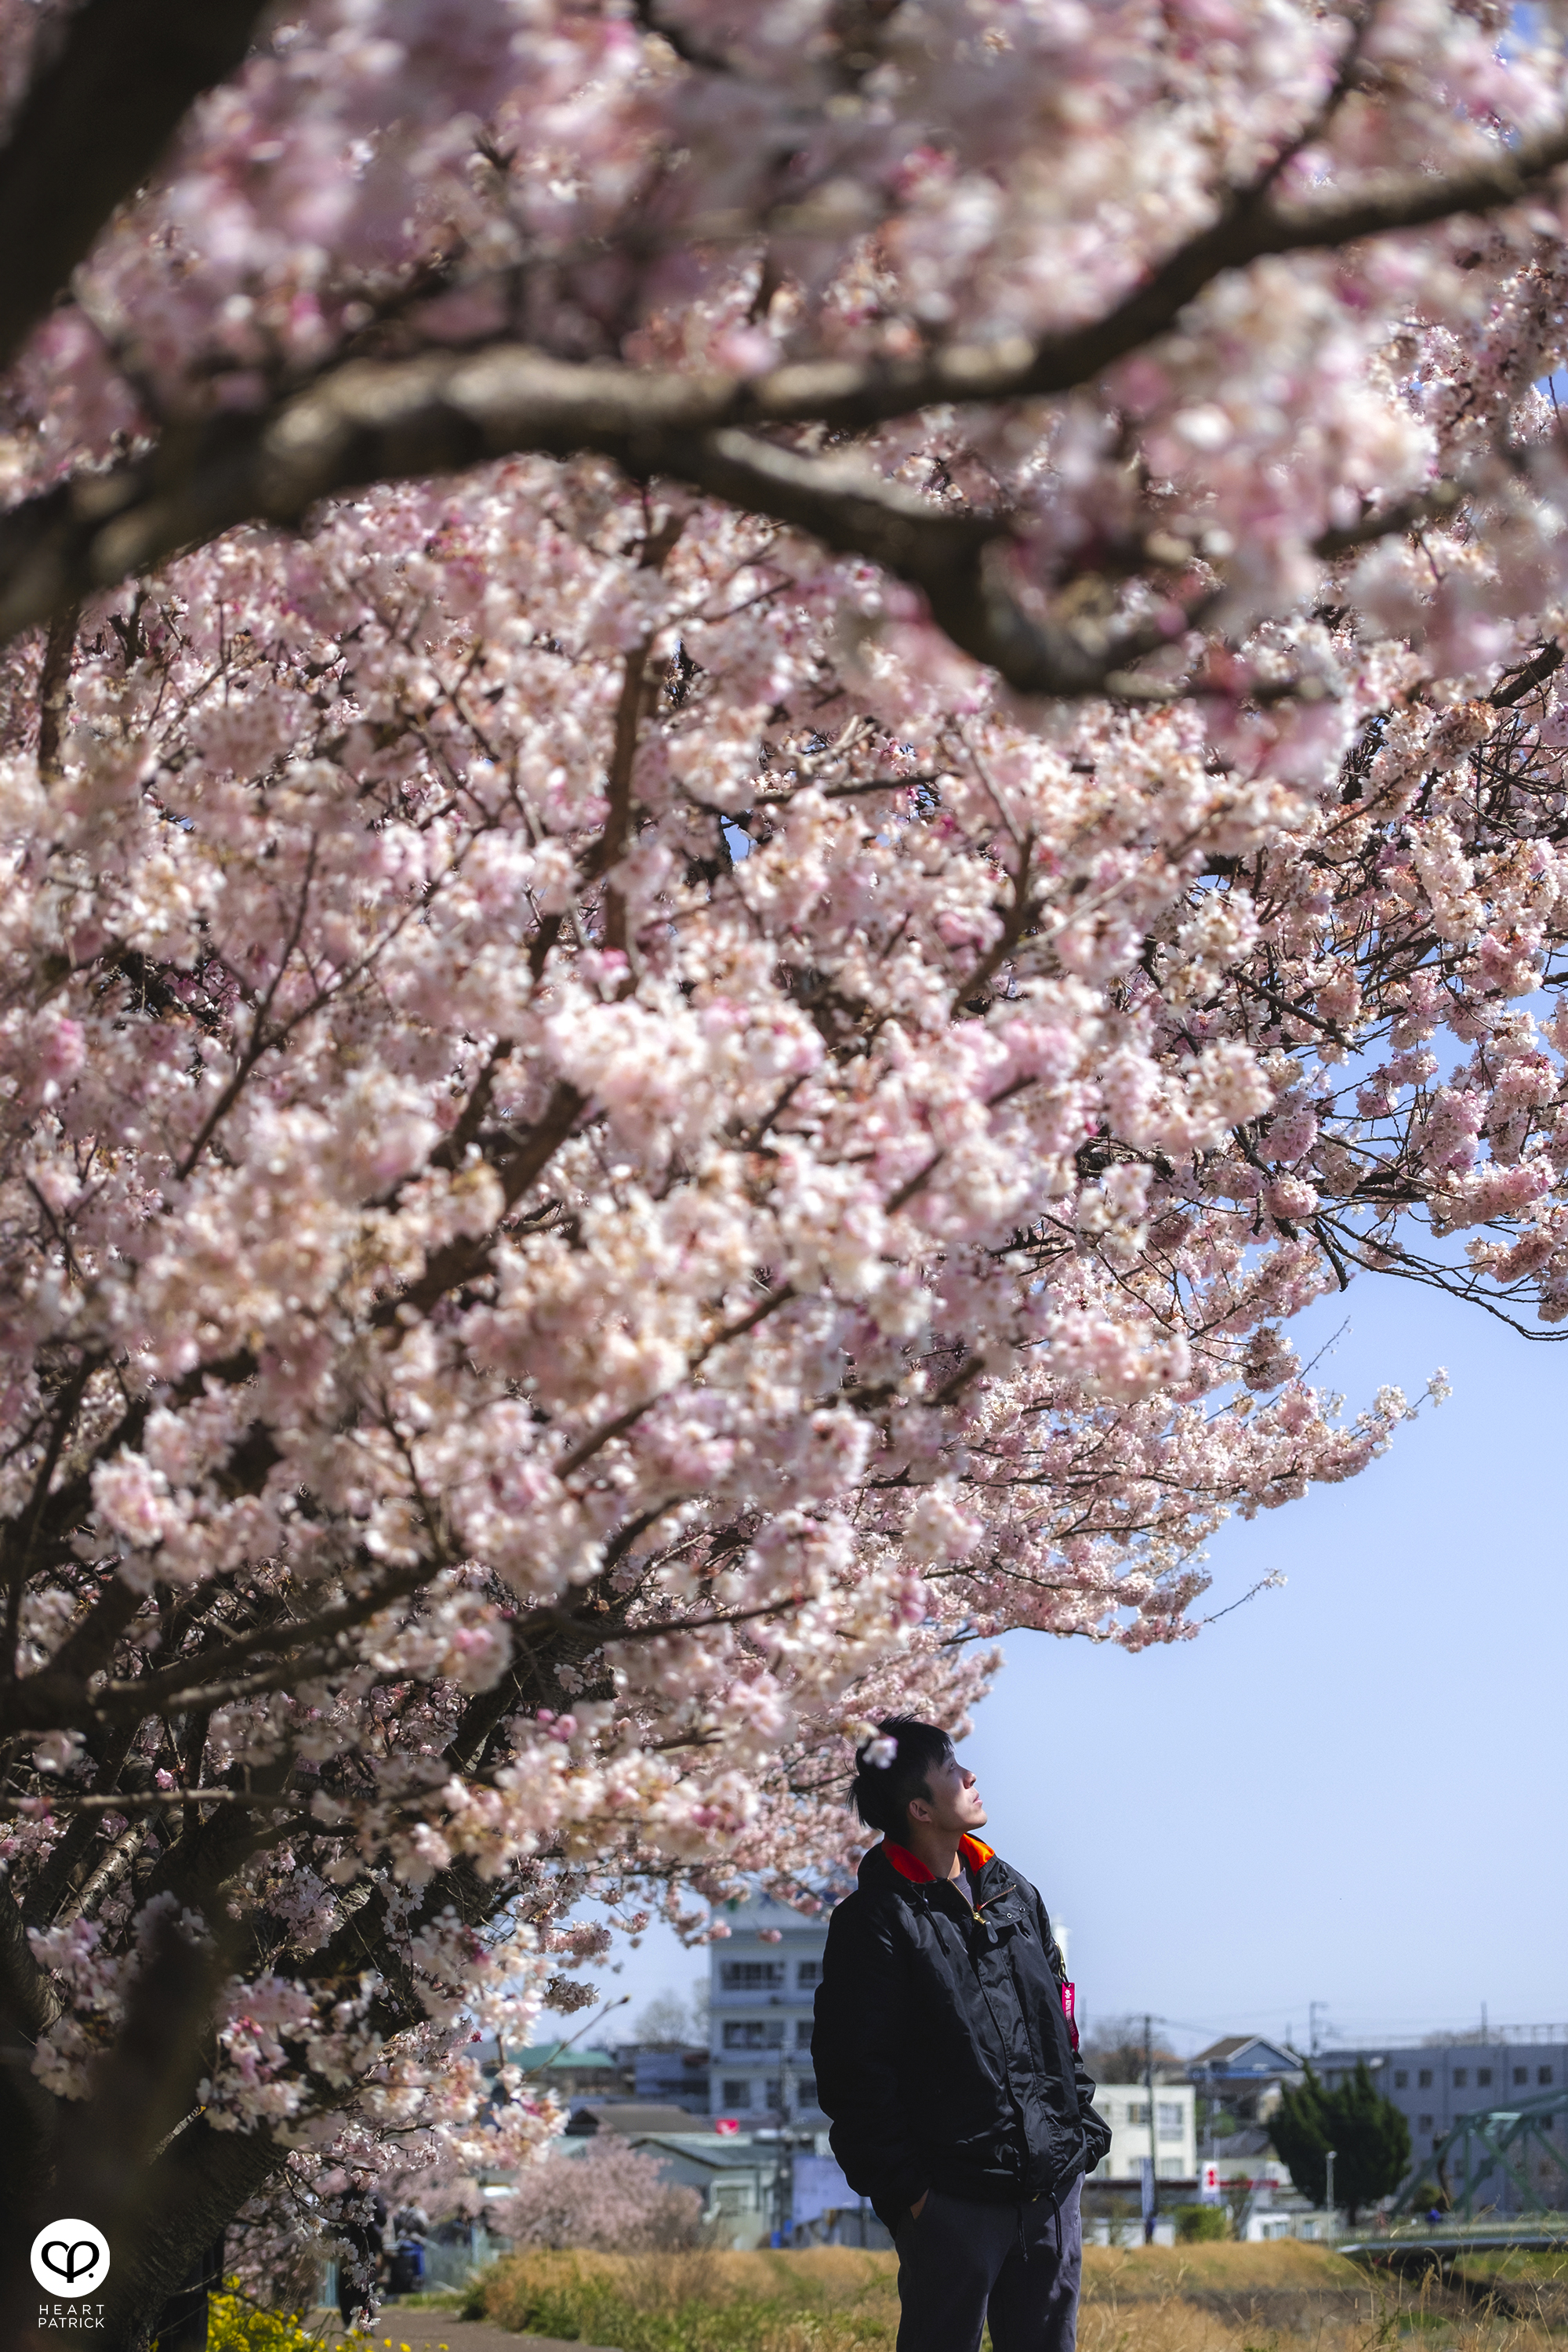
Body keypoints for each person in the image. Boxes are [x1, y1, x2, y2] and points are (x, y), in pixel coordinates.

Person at [812, 1719, 1112, 2352]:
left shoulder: (1014, 1892)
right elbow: (852, 2074)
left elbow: (1060, 2023)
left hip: (1050, 2188)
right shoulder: (874, 1922)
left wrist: (1079, 2136)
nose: (971, 1776)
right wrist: (913, 2197)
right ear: (920, 1808)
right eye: (952, 1770)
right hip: (951, 2201)